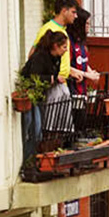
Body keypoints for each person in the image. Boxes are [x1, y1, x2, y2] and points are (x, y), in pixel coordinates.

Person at [20, 30, 69, 162]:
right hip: (30, 94)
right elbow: (33, 76)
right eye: (64, 47)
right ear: (55, 46)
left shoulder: (56, 58)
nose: (66, 50)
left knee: (39, 130)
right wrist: (52, 78)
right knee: (33, 127)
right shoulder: (40, 57)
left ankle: (32, 158)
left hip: (41, 95)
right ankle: (27, 160)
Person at [65, 7, 100, 97]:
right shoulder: (68, 41)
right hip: (71, 89)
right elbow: (65, 66)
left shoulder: (81, 42)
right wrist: (86, 75)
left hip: (82, 90)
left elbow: (82, 60)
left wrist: (91, 72)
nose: (89, 26)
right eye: (87, 23)